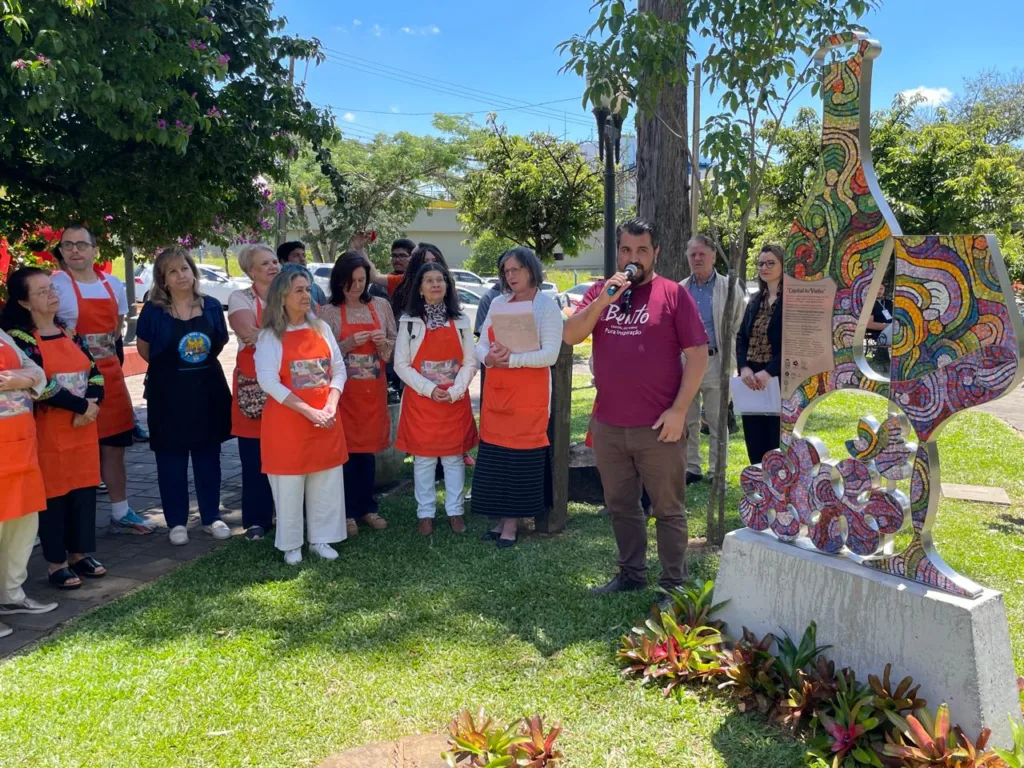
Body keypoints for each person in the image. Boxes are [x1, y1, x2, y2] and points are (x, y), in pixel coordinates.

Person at [563, 217, 709, 599]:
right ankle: (631, 573)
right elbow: (571, 334)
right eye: (626, 250)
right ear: (618, 252)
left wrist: (679, 411)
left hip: (659, 427)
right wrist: (603, 300)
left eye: (642, 250)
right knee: (621, 505)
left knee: (668, 508)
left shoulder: (674, 295)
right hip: (610, 426)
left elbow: (697, 356)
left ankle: (674, 583)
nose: (634, 258)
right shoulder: (601, 291)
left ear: (656, 252)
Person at [2, 268, 105, 590]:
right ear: (24, 301)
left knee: (84, 491)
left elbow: (96, 371)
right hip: (48, 430)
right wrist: (80, 407)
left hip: (83, 428)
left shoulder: (70, 332)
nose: (52, 294)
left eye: (51, 288)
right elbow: (40, 384)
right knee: (54, 496)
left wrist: (93, 402)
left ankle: (79, 554)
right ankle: (56, 562)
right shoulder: (20, 338)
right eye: (42, 291)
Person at [51, 225, 155, 534]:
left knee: (114, 445)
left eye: (81, 244)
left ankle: (120, 510)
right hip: (71, 378)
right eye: (67, 245)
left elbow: (117, 330)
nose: (74, 250)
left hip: (110, 374)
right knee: (74, 449)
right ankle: (70, 518)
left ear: (95, 250)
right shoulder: (54, 285)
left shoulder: (113, 284)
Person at [136, 247, 233, 546]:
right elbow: (145, 350)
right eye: (173, 271)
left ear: (194, 272)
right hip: (168, 396)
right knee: (171, 460)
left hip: (208, 393)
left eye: (185, 269)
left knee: (208, 459)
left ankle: (211, 517)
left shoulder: (213, 306)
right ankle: (176, 522)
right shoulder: (153, 311)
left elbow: (218, 343)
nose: (181, 276)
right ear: (163, 279)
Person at [255, 271, 348, 565]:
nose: (306, 295)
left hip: (326, 420)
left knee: (327, 481)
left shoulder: (321, 328)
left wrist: (330, 405)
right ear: (282, 298)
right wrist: (310, 412)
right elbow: (268, 381)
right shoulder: (270, 337)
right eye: (298, 291)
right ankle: (291, 543)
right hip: (289, 425)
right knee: (289, 485)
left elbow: (338, 369)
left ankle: (322, 538)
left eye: (308, 289)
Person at [472, 247, 562, 547]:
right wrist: (490, 359)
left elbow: (550, 354)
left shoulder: (546, 306)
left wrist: (513, 359)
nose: (510, 276)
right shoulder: (497, 302)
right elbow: (481, 345)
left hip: (529, 398)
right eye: (506, 271)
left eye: (516, 270)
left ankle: (512, 524)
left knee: (518, 461)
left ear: (530, 269)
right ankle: (501, 518)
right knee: (497, 460)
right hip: (498, 396)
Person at [394, 262, 478, 535]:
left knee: (454, 459)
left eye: (440, 280)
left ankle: (455, 512)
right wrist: (429, 389)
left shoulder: (462, 321)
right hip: (422, 402)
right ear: (419, 288)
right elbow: (401, 365)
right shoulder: (408, 322)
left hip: (453, 400)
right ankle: (425, 515)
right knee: (424, 461)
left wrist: (455, 390)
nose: (435, 285)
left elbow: (470, 361)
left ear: (447, 286)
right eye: (428, 280)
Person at [317, 252, 396, 538]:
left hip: (372, 394)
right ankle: (346, 512)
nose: (357, 286)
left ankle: (367, 507)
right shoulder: (326, 313)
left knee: (367, 453)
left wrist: (382, 343)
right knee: (345, 454)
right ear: (339, 281)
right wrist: (347, 343)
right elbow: (321, 356)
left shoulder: (382, 306)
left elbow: (393, 348)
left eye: (362, 280)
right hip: (342, 395)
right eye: (351, 281)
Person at [0, 325, 57, 637]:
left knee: (22, 524)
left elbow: (36, 370)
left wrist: (24, 378)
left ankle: (11, 595)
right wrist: (20, 379)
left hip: (21, 446)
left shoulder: (3, 334)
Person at [681, 235, 745, 486]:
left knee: (718, 421)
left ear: (713, 257)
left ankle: (717, 471)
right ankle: (692, 467)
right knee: (688, 417)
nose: (697, 259)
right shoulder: (681, 288)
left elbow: (737, 324)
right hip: (687, 363)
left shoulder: (729, 287)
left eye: (702, 254)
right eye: (692, 255)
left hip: (716, 361)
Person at [228, 244, 280, 540]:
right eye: (265, 264)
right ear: (250, 271)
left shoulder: (289, 293)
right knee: (254, 455)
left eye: (274, 261)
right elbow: (248, 334)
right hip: (254, 388)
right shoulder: (240, 297)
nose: (273, 267)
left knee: (285, 452)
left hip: (287, 385)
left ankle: (286, 513)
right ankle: (257, 520)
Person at [736, 244, 784, 466]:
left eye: (771, 263)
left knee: (775, 442)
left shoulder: (793, 300)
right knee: (754, 442)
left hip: (778, 381)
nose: (764, 267)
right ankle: (758, 489)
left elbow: (793, 344)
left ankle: (777, 492)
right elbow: (741, 337)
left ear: (783, 265)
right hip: (751, 379)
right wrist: (744, 367)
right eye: (761, 263)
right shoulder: (755, 299)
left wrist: (769, 371)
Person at [277, 240, 327, 306]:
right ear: (282, 261)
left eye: (304, 255)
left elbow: (323, 312)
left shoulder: (316, 289)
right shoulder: (276, 286)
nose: (302, 259)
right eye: (296, 256)